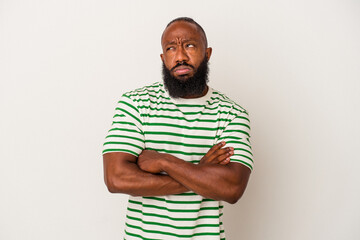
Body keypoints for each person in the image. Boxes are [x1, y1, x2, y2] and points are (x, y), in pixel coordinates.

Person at [102, 17, 253, 240]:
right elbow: (116, 179)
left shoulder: (231, 114)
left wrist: (164, 161)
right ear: (163, 58)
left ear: (207, 53)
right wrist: (201, 173)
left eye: (189, 45)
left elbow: (232, 188)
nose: (180, 56)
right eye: (171, 48)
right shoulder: (136, 103)